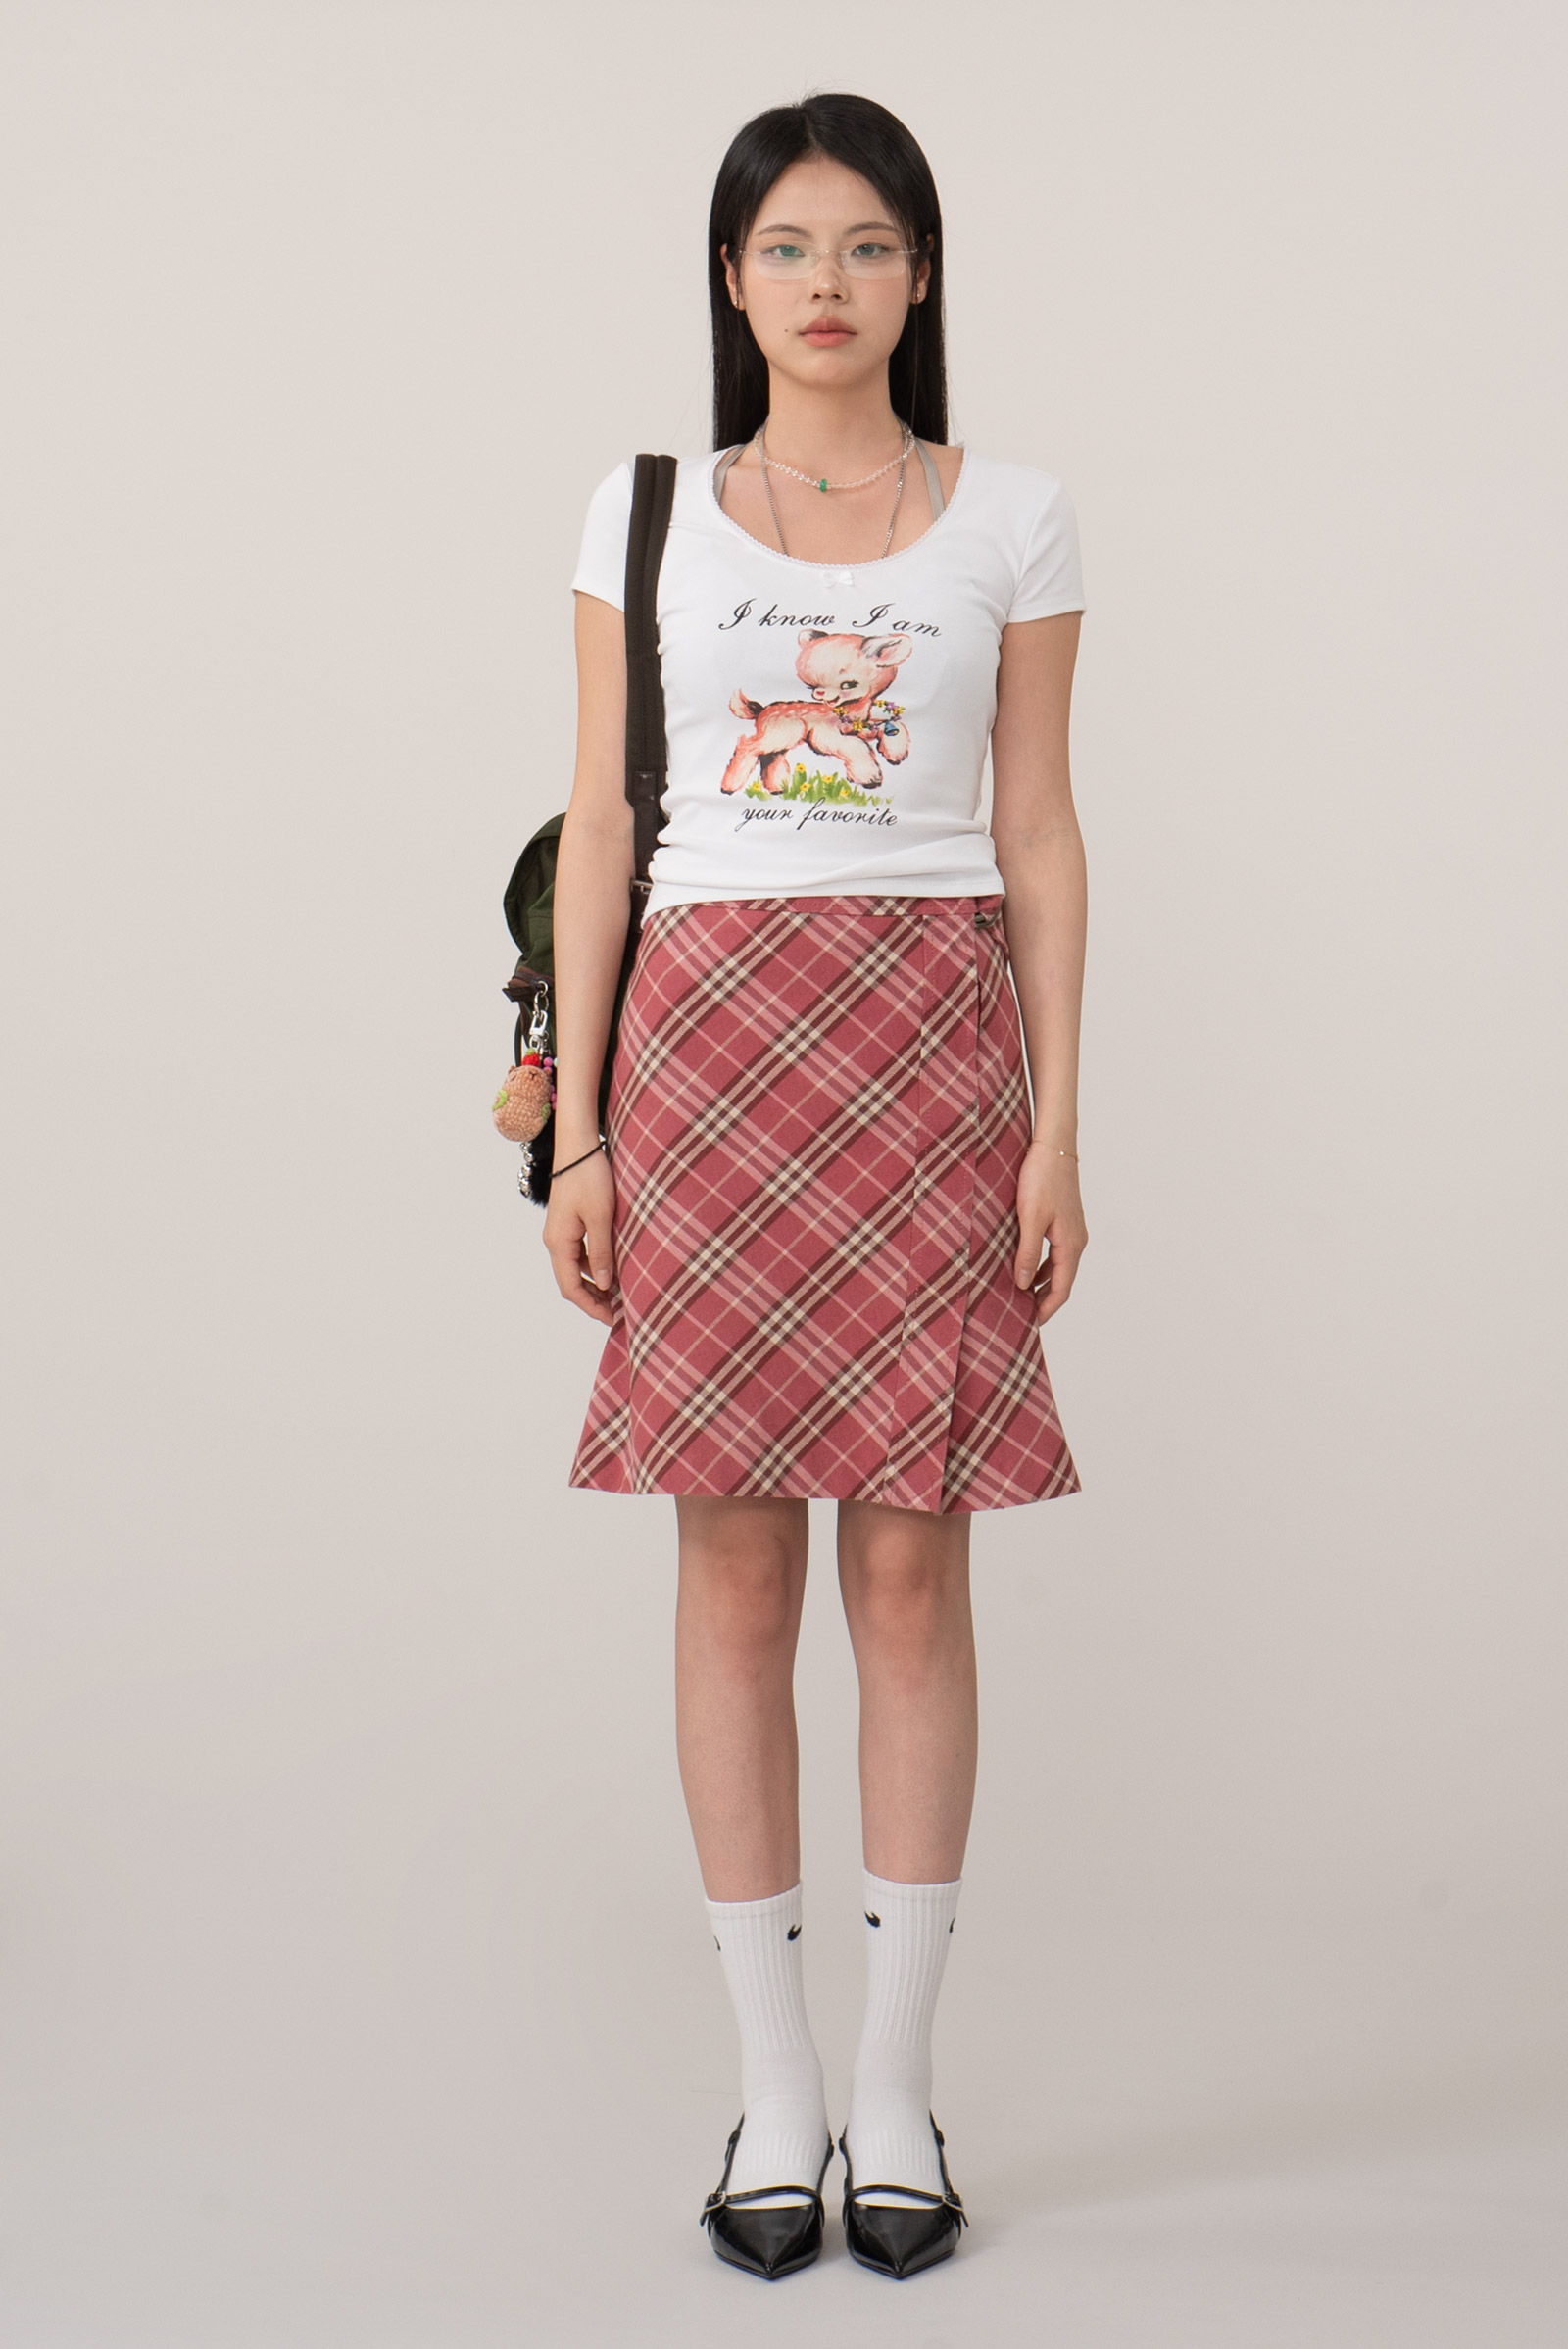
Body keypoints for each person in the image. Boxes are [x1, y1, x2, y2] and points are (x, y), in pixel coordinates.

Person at [542, 92, 1088, 2282]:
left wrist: (1060, 1121)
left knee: (914, 1578)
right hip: (706, 1052)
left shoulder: (1015, 514)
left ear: (920, 275)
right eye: (787, 247)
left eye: (867, 246)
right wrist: (580, 1127)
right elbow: (604, 822)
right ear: (730, 279)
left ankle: (894, 2081)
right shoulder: (645, 510)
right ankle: (772, 2086)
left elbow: (1036, 826)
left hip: (930, 1041)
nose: (828, 283)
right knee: (736, 1571)